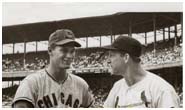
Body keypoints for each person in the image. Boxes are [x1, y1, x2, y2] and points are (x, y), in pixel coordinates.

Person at [12, 29, 94, 108]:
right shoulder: (31, 83)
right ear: (50, 50)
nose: (69, 56)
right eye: (64, 50)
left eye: (72, 51)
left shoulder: (81, 85)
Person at [103, 36, 180, 108]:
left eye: (112, 55)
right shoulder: (117, 88)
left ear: (126, 57)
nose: (108, 61)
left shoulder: (161, 90)